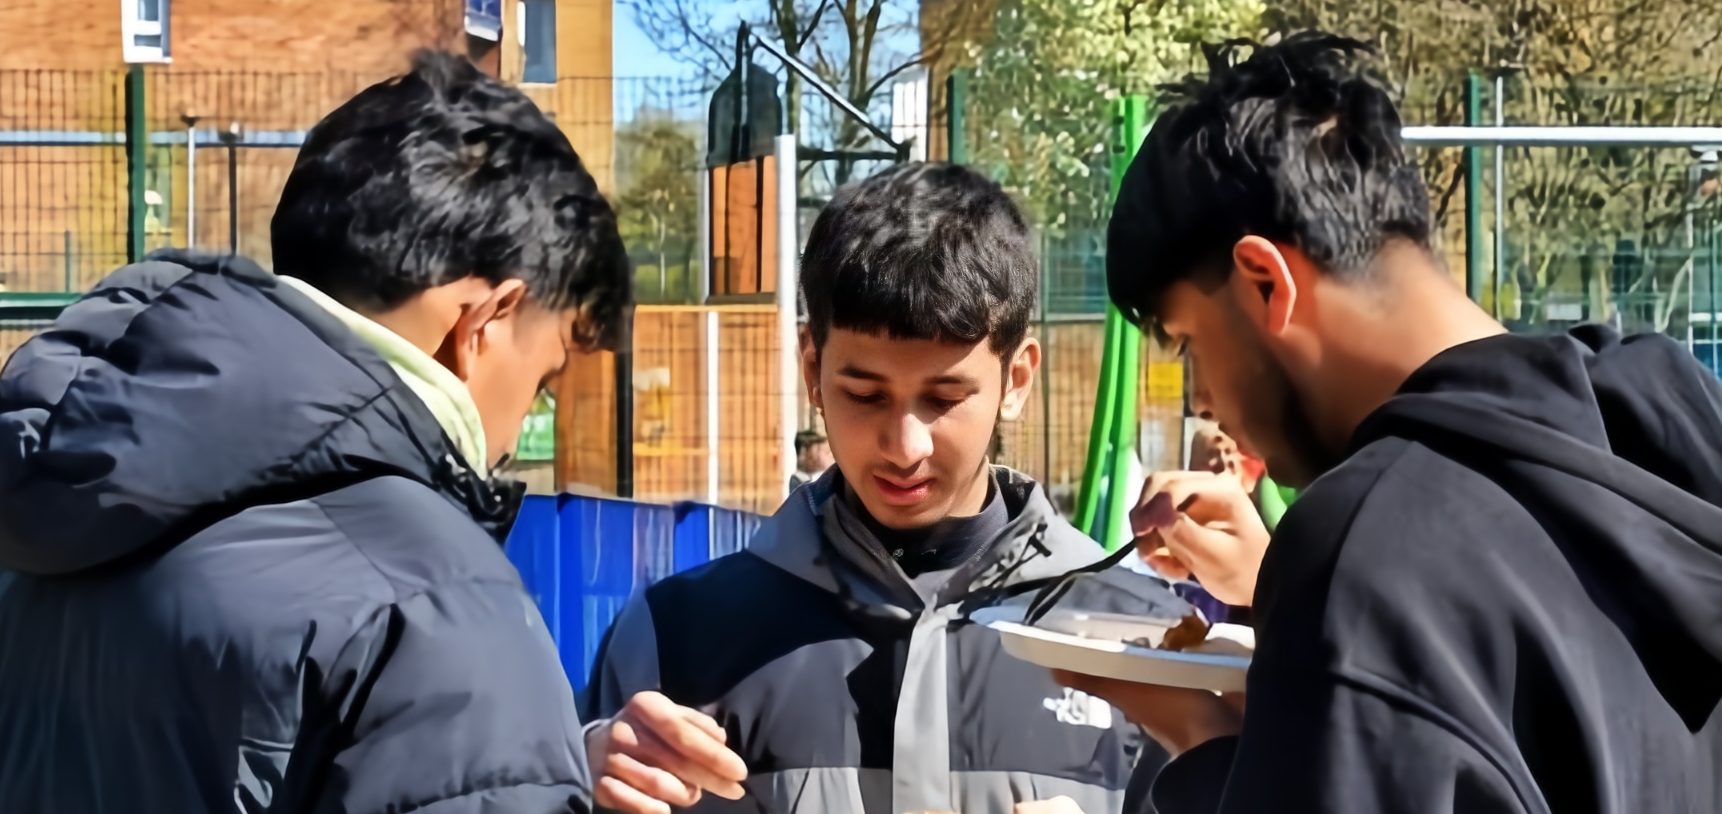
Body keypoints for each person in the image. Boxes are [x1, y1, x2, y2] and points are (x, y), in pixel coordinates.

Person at [0, 51, 741, 814]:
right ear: (487, 320)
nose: (517, 432)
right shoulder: (429, 605)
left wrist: (539, 767)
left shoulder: (47, 530)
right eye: (543, 378)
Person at [1065, 32, 1722, 813]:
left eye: (1188, 346)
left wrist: (1205, 749)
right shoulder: (1669, 415)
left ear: (1265, 282)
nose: (1201, 399)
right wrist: (1275, 595)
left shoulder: (1363, 551)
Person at [583, 162, 1184, 814]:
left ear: (1016, 381)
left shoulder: (1142, 644)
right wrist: (580, 783)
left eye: (944, 398)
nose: (905, 446)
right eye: (865, 395)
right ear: (812, 371)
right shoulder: (675, 638)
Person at [788, 427, 833, 492]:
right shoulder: (798, 482)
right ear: (804, 455)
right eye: (818, 449)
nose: (829, 456)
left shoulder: (821, 478)